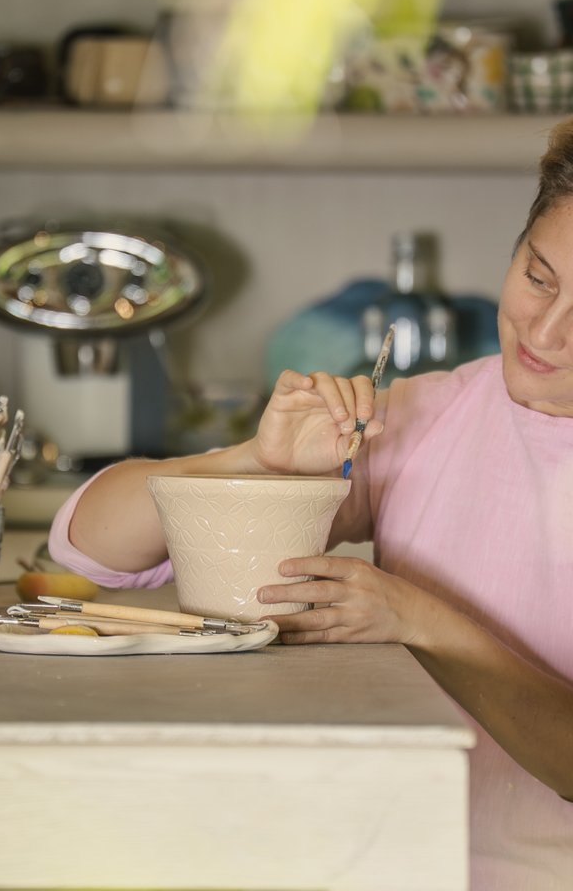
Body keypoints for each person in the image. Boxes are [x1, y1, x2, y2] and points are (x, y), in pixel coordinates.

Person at [48, 119, 573, 890]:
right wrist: (255, 461)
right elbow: (89, 543)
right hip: (374, 859)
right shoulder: (437, 413)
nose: (548, 333)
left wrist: (414, 619)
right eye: (539, 277)